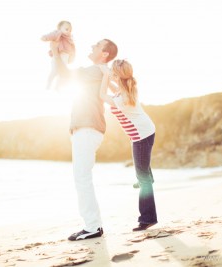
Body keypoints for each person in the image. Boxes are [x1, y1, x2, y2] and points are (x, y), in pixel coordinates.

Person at [50, 39, 118, 241]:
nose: (92, 46)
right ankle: (92, 224)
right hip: (85, 129)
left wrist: (56, 51)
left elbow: (65, 74)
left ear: (104, 54)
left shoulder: (97, 70)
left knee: (82, 178)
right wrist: (59, 54)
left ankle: (93, 226)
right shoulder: (97, 71)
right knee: (82, 178)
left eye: (96, 45)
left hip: (88, 129)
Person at [99, 59, 158, 231]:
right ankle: (148, 177)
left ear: (117, 76)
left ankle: (148, 218)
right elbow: (114, 89)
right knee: (144, 174)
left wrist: (104, 76)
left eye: (113, 72)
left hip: (141, 136)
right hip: (145, 132)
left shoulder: (123, 98)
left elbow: (102, 96)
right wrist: (110, 77)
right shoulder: (125, 90)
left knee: (143, 180)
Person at [41, 20, 76, 90]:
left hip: (66, 56)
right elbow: (51, 35)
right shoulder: (58, 33)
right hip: (59, 54)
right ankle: (49, 83)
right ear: (59, 29)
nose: (68, 31)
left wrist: (72, 56)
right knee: (54, 71)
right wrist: (45, 37)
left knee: (62, 72)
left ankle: (57, 87)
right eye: (66, 29)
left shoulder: (70, 38)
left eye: (70, 30)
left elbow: (73, 48)